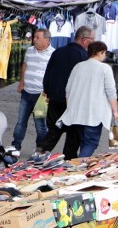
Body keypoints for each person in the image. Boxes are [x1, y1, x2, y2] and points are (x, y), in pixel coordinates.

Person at [35, 26, 94, 160]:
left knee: (54, 130)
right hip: (73, 101)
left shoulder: (58, 52)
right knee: (73, 133)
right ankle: (69, 159)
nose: (93, 42)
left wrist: (48, 93)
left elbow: (48, 74)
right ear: (84, 40)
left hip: (55, 99)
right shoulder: (83, 56)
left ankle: (40, 153)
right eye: (92, 39)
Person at [57, 41, 118, 157]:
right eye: (104, 53)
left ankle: (78, 165)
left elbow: (68, 90)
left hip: (77, 113)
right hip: (94, 114)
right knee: (91, 143)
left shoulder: (78, 66)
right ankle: (79, 166)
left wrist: (70, 107)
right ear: (101, 52)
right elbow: (111, 91)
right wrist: (114, 111)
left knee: (83, 141)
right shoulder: (105, 68)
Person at [11, 29, 54, 152]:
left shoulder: (53, 54)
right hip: (26, 93)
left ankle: (40, 148)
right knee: (20, 122)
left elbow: (53, 74)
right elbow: (25, 65)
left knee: (40, 125)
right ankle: (15, 146)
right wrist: (21, 83)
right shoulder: (30, 51)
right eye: (34, 37)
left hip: (41, 96)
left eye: (37, 37)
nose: (34, 39)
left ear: (47, 40)